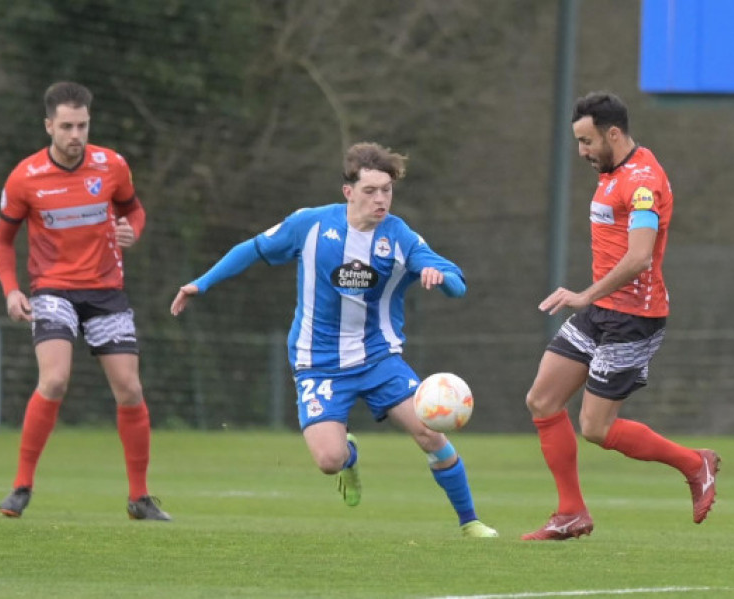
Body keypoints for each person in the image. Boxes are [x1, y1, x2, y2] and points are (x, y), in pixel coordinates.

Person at [170, 142, 497, 538]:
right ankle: (349, 457)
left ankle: (471, 522)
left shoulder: (400, 237)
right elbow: (253, 248)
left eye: (387, 190)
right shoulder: (309, 225)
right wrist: (200, 284)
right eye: (370, 191)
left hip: (379, 359)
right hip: (318, 361)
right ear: (348, 192)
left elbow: (458, 283)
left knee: (430, 433)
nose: (381, 200)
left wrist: (440, 280)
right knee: (329, 460)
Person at [522, 91, 719, 540]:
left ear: (613, 133)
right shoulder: (614, 171)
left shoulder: (643, 182)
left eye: (587, 141)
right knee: (542, 400)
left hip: (635, 317)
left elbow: (639, 259)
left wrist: (581, 295)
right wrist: (590, 301)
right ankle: (571, 512)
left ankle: (695, 463)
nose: (582, 152)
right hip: (601, 312)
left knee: (595, 427)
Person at [0, 81, 170, 521]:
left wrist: (134, 230)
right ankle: (21, 486)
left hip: (106, 291)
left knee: (129, 388)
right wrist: (11, 290)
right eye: (67, 126)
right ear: (49, 125)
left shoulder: (112, 166)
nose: (76, 135)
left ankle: (139, 498)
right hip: (52, 289)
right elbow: (1, 242)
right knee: (54, 380)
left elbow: (135, 211)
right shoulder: (24, 177)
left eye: (82, 125)